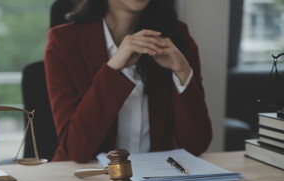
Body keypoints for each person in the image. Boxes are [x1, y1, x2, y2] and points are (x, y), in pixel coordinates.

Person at [44, 0, 212, 163]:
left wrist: (182, 72)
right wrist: (112, 69)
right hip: (89, 180)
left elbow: (196, 145)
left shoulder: (177, 36)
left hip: (157, 179)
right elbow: (76, 150)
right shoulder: (63, 42)